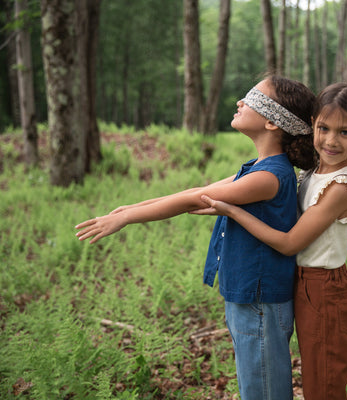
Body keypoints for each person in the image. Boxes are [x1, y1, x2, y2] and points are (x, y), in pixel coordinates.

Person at [75, 75, 317, 400]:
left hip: (260, 300)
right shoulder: (260, 167)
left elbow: (194, 200)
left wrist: (127, 218)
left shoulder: (269, 177)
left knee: (263, 390)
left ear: (273, 122)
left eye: (253, 99)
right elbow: (197, 191)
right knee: (255, 387)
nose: (239, 102)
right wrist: (129, 207)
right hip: (249, 296)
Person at [195, 83, 347, 400]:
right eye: (323, 128)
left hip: (326, 290)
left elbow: (289, 243)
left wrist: (234, 212)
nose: (331, 140)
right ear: (311, 125)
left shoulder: (339, 187)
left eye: (345, 133)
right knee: (313, 378)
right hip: (303, 284)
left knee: (323, 386)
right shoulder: (311, 172)